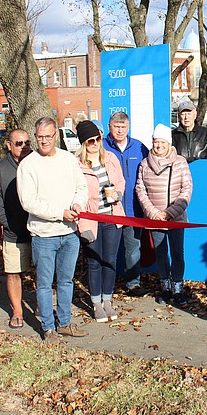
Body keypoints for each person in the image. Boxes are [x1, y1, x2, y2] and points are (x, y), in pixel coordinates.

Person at [17, 116, 89, 343]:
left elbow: (82, 186)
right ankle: (48, 328)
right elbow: (29, 202)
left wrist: (78, 203)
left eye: (48, 137)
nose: (44, 141)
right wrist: (60, 213)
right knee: (45, 283)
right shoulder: (28, 165)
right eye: (40, 137)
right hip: (44, 235)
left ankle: (65, 322)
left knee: (67, 281)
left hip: (69, 233)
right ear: (35, 136)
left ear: (55, 136)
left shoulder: (68, 159)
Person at [135, 124, 193, 306]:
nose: (158, 145)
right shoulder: (145, 164)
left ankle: (178, 288)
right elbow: (140, 189)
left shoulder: (180, 162)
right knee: (160, 254)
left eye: (162, 142)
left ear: (168, 143)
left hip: (176, 218)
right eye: (155, 142)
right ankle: (165, 287)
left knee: (177, 254)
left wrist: (170, 213)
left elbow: (187, 188)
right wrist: (153, 213)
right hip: (155, 219)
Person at [75, 120, 126, 323]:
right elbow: (74, 192)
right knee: (94, 262)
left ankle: (107, 300)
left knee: (110, 260)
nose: (95, 143)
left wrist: (118, 193)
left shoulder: (111, 157)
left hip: (112, 217)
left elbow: (120, 180)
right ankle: (96, 303)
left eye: (97, 138)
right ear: (83, 143)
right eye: (90, 141)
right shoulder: (76, 164)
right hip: (90, 219)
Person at [0, 129, 32, 329]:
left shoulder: (38, 163)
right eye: (19, 143)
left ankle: (41, 306)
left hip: (39, 230)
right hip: (14, 232)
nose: (24, 147)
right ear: (9, 145)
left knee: (42, 272)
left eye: (27, 142)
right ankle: (18, 311)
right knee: (14, 273)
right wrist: (9, 222)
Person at [103, 111, 149, 296]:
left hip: (133, 208)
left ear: (128, 127)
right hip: (108, 209)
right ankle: (108, 284)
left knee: (132, 248)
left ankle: (132, 283)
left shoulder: (138, 147)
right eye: (116, 127)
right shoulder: (101, 147)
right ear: (109, 127)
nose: (120, 130)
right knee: (109, 250)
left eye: (123, 127)